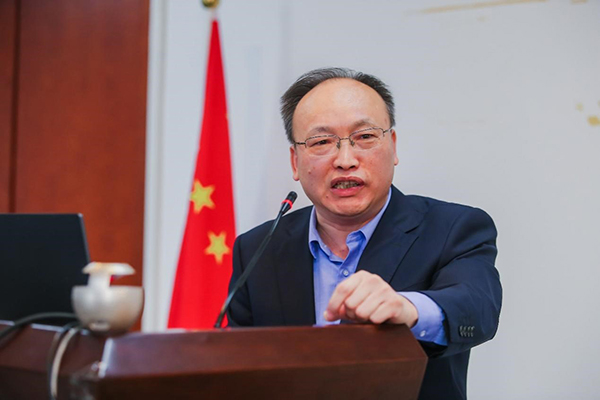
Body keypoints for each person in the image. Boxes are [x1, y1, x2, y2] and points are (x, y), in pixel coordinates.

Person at [227, 67, 502, 400]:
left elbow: (477, 307)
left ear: (393, 146)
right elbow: (240, 371)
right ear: (295, 162)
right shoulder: (257, 250)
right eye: (321, 142)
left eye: (365, 137)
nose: (345, 160)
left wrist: (407, 308)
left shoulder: (453, 228)